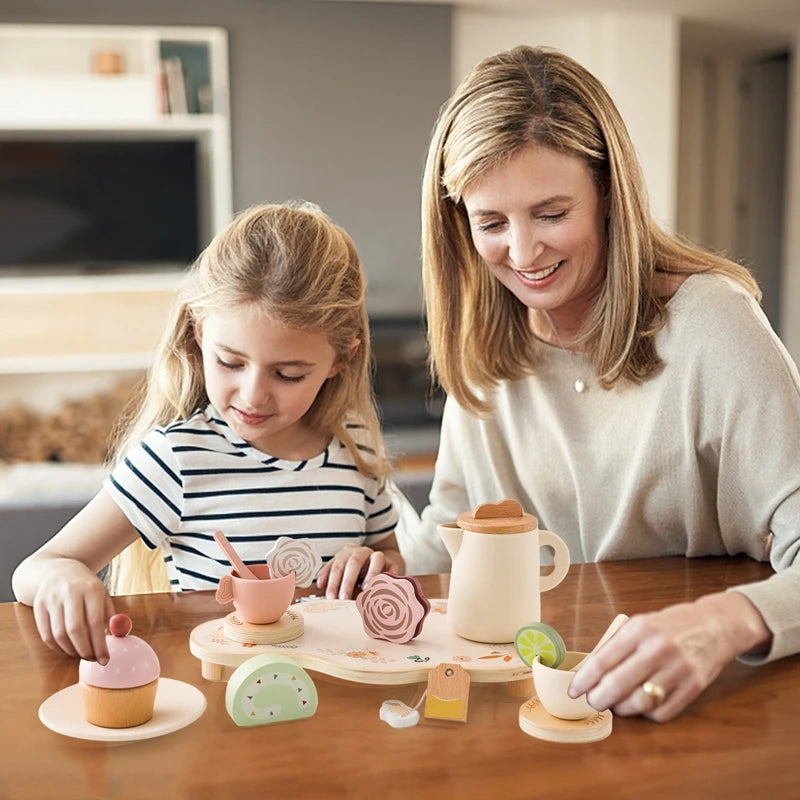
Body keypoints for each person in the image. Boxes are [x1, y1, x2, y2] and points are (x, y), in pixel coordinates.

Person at [409, 44, 800, 722]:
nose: (524, 253)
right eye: (492, 223)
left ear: (610, 197)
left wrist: (725, 620)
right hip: (542, 705)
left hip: (695, 707)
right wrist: (369, 560)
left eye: (552, 213)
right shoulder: (486, 349)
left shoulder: (713, 326)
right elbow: (448, 536)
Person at [13, 201, 404, 664]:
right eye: (230, 362)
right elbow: (35, 569)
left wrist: (380, 568)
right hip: (221, 709)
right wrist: (63, 576)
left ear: (342, 360)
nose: (253, 395)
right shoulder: (178, 459)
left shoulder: (355, 448)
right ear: (199, 335)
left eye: (289, 374)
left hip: (339, 701)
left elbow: (390, 556)